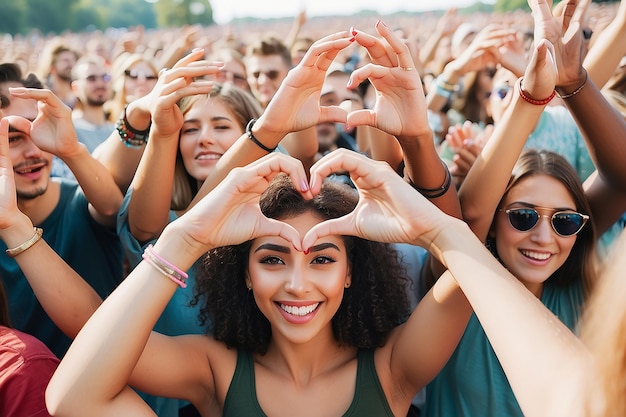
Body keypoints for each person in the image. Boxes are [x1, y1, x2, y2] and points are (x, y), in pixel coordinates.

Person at [423, 0, 626, 416]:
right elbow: (472, 215)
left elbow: (622, 178)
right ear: (495, 225)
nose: (543, 235)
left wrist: (575, 82)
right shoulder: (462, 281)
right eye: (522, 215)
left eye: (566, 221)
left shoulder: (577, 289)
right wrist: (531, 98)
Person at [0, 65, 124, 358]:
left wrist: (72, 150)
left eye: (37, 131)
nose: (33, 151)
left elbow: (111, 208)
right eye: (11, 139)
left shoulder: (77, 201)